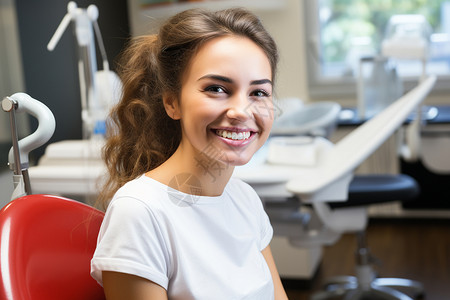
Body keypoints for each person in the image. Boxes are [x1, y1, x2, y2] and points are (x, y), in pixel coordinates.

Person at [91, 7, 288, 300]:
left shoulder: (244, 199)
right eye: (217, 88)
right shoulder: (140, 213)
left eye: (258, 93)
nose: (241, 111)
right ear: (172, 103)